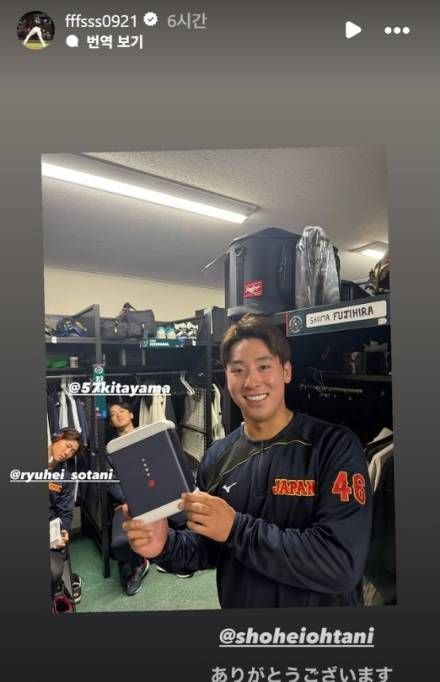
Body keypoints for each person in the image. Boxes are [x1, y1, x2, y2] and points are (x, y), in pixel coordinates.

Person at [123, 314, 373, 608]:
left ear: (286, 371)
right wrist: (164, 545)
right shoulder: (217, 457)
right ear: (227, 378)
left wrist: (236, 529)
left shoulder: (334, 447)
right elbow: (208, 548)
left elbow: (340, 563)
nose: (252, 381)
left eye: (264, 367)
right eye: (238, 370)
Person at [107, 402, 151, 596]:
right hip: (127, 502)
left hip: (155, 495)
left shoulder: (148, 437)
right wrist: (128, 500)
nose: (118, 415)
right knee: (119, 543)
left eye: (122, 411)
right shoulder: (109, 450)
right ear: (111, 423)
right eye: (113, 414)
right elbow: (110, 482)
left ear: (132, 414)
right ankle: (139, 564)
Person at [49, 428, 84, 607]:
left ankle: (57, 587)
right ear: (57, 438)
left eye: (72, 451)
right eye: (68, 446)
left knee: (53, 571)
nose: (67, 453)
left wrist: (63, 531)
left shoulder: (65, 478)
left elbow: (66, 512)